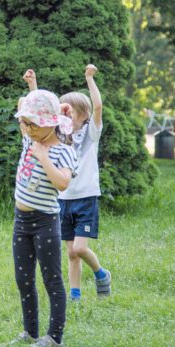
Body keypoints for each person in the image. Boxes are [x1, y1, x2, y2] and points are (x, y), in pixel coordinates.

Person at [12, 72, 77, 347]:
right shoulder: (31, 137)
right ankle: (30, 332)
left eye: (30, 124)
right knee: (23, 278)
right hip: (21, 220)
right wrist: (32, 88)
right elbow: (25, 104)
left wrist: (43, 158)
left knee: (52, 279)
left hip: (45, 222)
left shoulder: (62, 151)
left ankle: (54, 338)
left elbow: (62, 183)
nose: (25, 129)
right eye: (24, 124)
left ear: (48, 125)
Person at [58, 65, 111, 301]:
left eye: (70, 112)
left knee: (79, 248)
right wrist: (32, 86)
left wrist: (89, 78)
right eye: (63, 112)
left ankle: (101, 274)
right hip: (64, 200)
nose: (66, 115)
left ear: (83, 115)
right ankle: (75, 296)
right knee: (71, 253)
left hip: (86, 198)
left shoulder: (92, 133)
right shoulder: (58, 135)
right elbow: (40, 117)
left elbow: (98, 106)